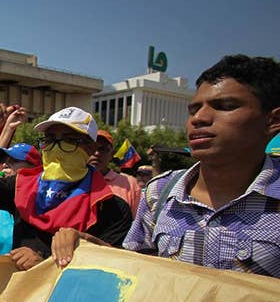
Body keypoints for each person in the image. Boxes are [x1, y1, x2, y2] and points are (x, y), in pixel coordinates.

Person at [53, 55, 280, 277]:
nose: (199, 119)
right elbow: (140, 270)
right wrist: (93, 248)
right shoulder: (160, 192)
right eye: (193, 109)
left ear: (272, 121)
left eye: (225, 106)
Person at [0, 105, 132, 270]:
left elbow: (113, 269)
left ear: (90, 148)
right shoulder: (21, 187)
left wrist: (45, 263)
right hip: (23, 297)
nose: (56, 147)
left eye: (69, 140)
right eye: (50, 139)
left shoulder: (111, 207)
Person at [0, 143, 42, 255]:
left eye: (14, 161)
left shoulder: (45, 204)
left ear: (34, 168)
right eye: (4, 161)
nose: (5, 165)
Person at [89, 130, 142, 217]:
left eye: (103, 149)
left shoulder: (130, 184)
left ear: (111, 154)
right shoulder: (73, 181)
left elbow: (137, 222)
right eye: (92, 148)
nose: (96, 153)